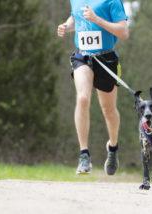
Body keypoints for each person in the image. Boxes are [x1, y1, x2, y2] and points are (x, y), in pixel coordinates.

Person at [57, 0, 129, 175]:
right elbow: (76, 17)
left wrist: (97, 20)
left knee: (108, 110)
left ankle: (112, 148)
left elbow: (123, 32)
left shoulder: (112, 1)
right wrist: (66, 26)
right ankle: (84, 155)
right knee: (82, 98)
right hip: (83, 56)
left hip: (106, 59)